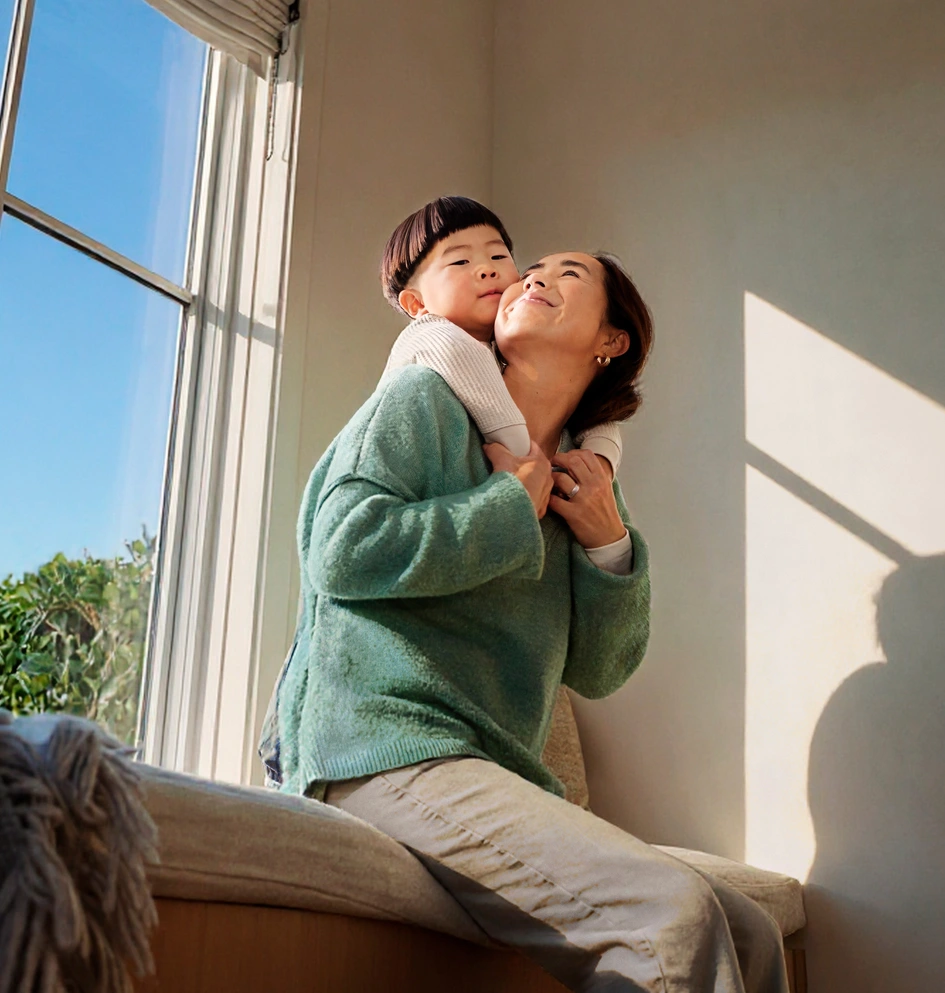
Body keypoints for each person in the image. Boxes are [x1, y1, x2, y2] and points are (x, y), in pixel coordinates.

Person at [260, 236, 788, 990]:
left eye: (565, 274)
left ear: (612, 340)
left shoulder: (583, 479)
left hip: (488, 766)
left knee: (751, 928)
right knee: (670, 917)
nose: (530, 277)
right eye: (530, 270)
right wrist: (507, 506)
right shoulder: (424, 399)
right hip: (381, 747)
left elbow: (600, 669)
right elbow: (340, 549)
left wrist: (608, 544)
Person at [380, 195, 623, 471]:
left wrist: (601, 458)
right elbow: (460, 354)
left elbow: (594, 413)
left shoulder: (497, 355)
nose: (487, 269)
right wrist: (521, 454)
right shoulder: (428, 337)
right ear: (417, 303)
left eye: (498, 256)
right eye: (460, 262)